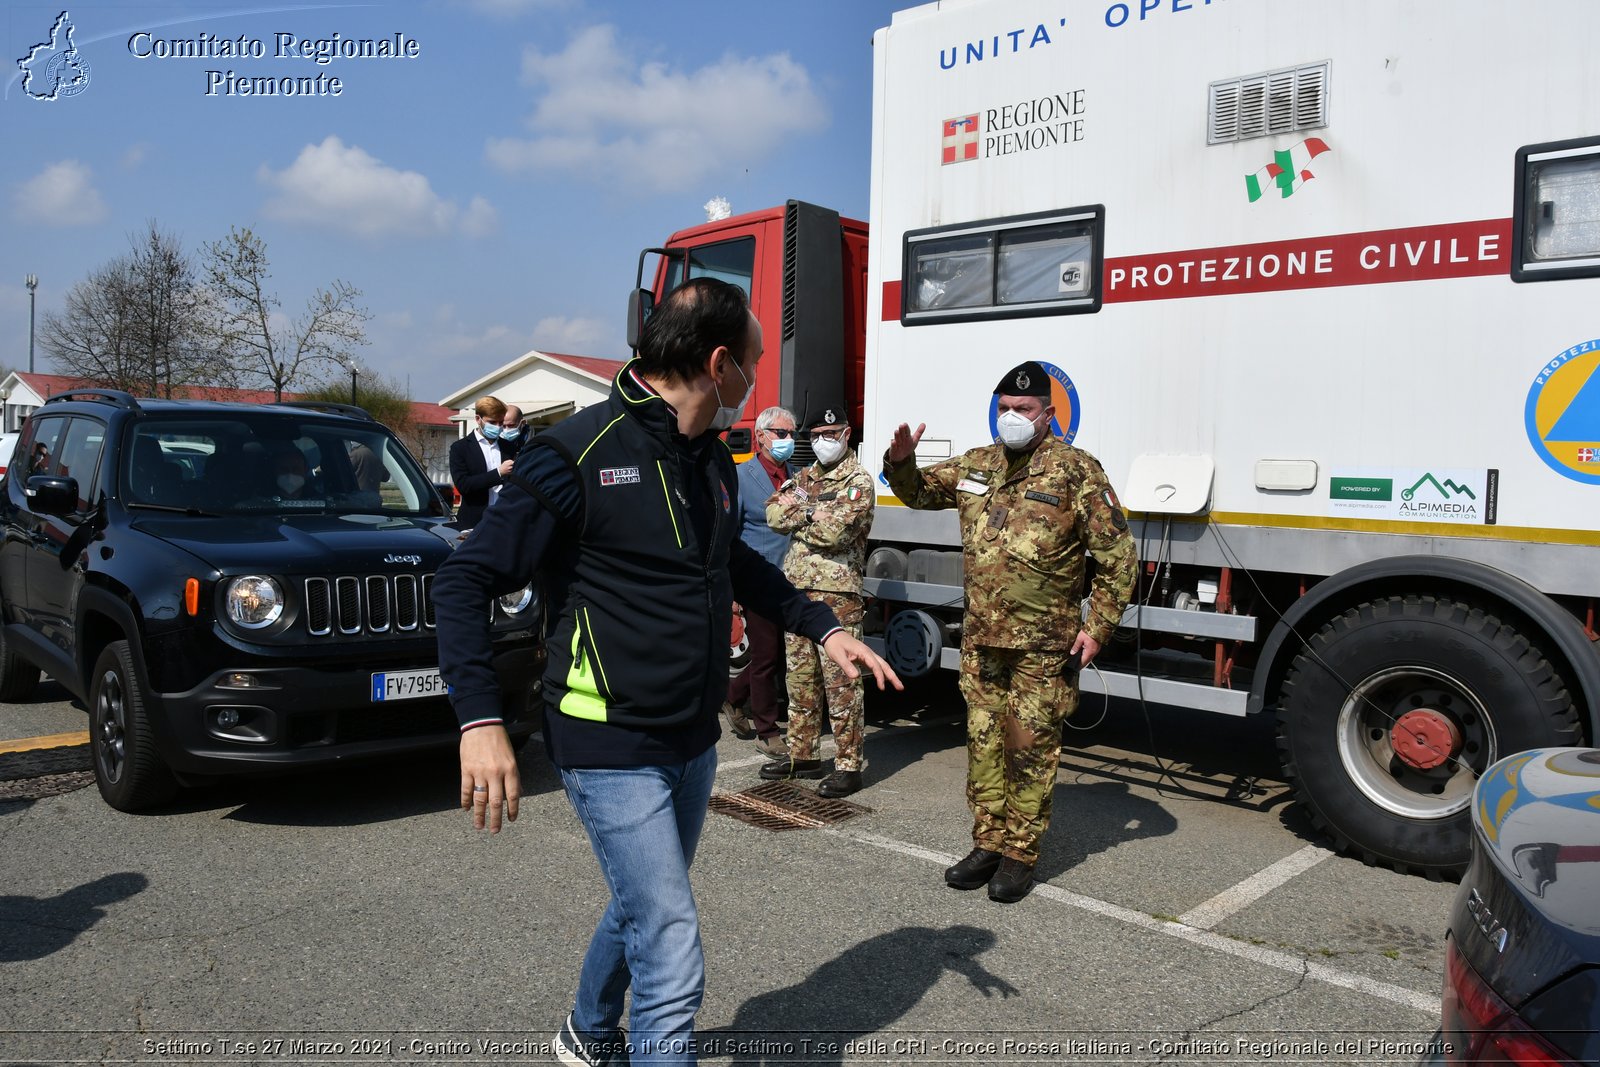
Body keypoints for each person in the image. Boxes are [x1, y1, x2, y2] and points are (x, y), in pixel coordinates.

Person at [432, 277, 900, 1067]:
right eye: (753, 363)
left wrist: (820, 625)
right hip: (606, 738)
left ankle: (585, 1033)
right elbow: (462, 579)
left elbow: (736, 562)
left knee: (644, 904)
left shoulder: (707, 457)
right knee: (672, 942)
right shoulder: (574, 452)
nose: (758, 384)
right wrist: (480, 720)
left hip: (691, 738)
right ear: (719, 365)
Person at [883, 361, 1136, 903]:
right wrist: (899, 463)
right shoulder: (978, 463)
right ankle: (987, 842)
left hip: (1044, 645)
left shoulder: (1076, 470)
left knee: (1029, 746)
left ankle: (1020, 854)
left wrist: (1099, 627)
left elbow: (1119, 557)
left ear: (1047, 413)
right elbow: (920, 492)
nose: (1013, 417)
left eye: (1023, 409)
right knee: (983, 744)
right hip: (983, 640)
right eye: (1004, 409)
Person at [759, 403, 875, 798]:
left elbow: (838, 534)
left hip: (837, 593)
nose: (824, 441)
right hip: (797, 590)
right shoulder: (804, 475)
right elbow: (773, 514)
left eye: (832, 434)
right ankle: (803, 753)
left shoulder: (857, 480)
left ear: (846, 435)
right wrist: (814, 513)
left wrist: (802, 513)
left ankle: (847, 764)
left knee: (842, 681)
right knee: (800, 679)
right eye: (817, 436)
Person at [722, 404, 797, 758]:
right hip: (758, 579)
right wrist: (734, 590)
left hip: (793, 581)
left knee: (777, 655)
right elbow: (730, 534)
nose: (788, 440)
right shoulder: (741, 476)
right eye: (781, 433)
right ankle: (768, 730)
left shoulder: (798, 476)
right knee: (766, 656)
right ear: (761, 436)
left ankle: (734, 696)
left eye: (791, 434)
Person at [448, 395, 515, 528]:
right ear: (478, 419)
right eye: (492, 422)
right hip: (474, 522)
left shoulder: (509, 447)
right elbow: (464, 485)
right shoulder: (460, 448)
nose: (497, 427)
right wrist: (498, 473)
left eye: (500, 423)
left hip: (505, 520)